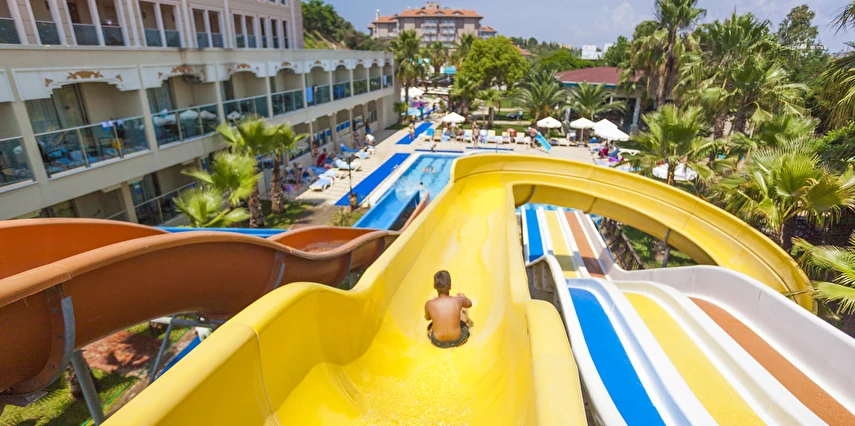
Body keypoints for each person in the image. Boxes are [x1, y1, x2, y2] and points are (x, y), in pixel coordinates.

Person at [425, 270, 472, 348]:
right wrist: (463, 297)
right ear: (450, 286)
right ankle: (467, 319)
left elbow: (427, 318)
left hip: (438, 343)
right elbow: (469, 304)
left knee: (431, 326)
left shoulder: (429, 304)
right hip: (459, 340)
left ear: (434, 286)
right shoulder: (458, 300)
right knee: (464, 310)